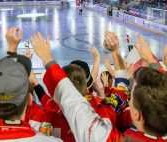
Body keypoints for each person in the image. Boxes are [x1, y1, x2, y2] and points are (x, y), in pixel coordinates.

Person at [30, 31, 167, 142]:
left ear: (136, 115)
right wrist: (152, 63)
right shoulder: (108, 111)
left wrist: (46, 58)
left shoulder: (106, 135)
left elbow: (72, 103)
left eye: (132, 99)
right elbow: (121, 88)